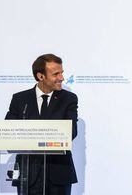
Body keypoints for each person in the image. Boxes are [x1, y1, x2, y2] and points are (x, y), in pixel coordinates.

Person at [5, 54, 78, 195]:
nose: (61, 78)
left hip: (59, 174)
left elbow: (71, 132)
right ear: (40, 76)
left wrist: (31, 135)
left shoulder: (68, 99)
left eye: (62, 73)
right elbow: (9, 133)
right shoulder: (20, 99)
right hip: (28, 173)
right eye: (56, 74)